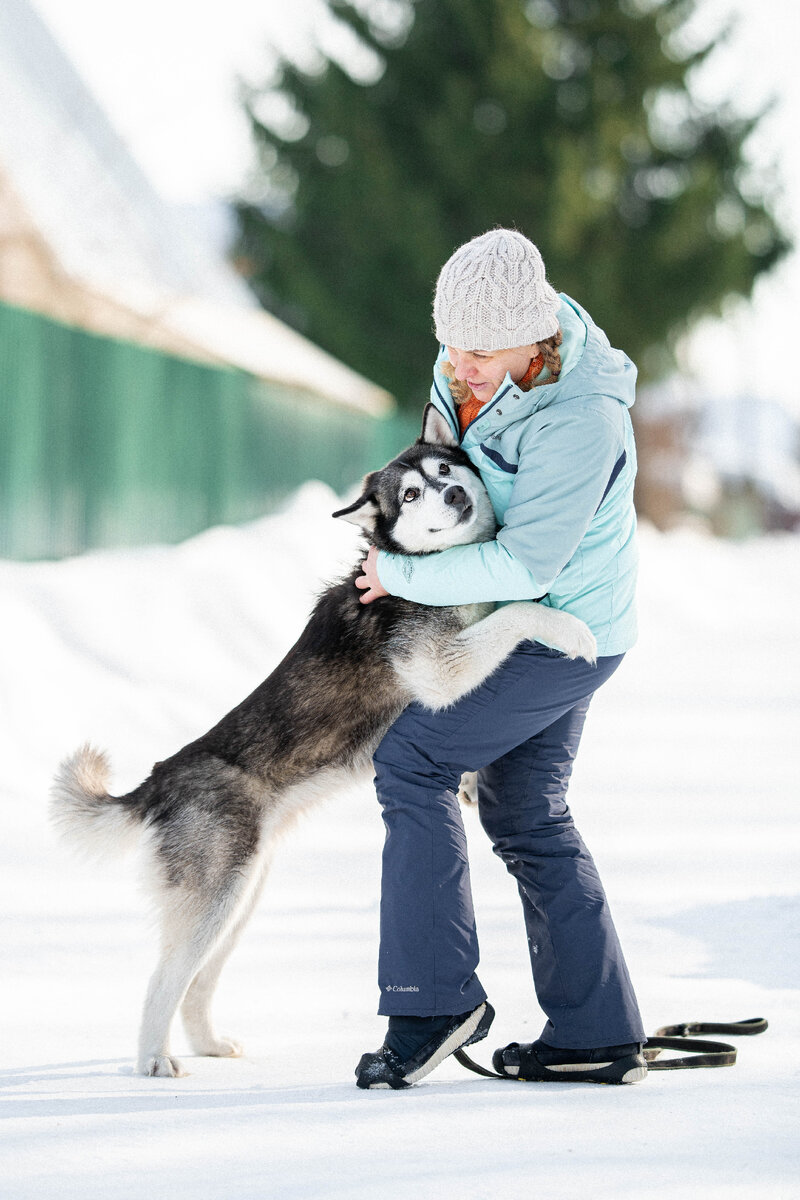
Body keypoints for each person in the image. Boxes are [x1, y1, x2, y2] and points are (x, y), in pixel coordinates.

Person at [353, 228, 647, 1091]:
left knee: (412, 761)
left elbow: (529, 566)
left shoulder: (584, 417)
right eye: (449, 345)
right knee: (526, 812)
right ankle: (595, 1031)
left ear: (534, 336)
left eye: (479, 350)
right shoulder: (467, 372)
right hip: (513, 618)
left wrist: (401, 572)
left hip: (567, 631)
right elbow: (439, 465)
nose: (460, 366)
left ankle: (433, 999)